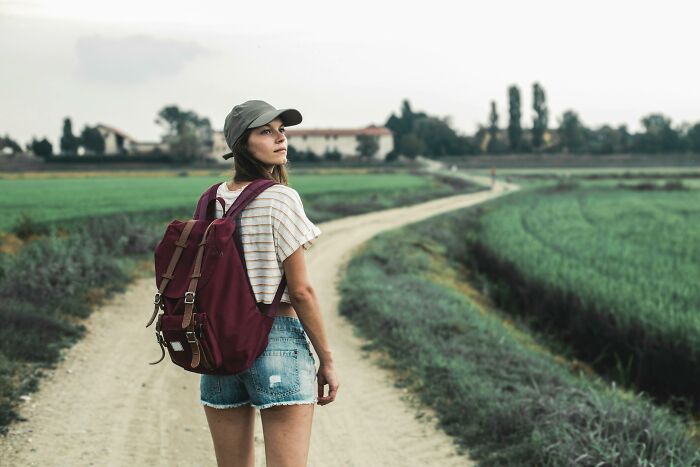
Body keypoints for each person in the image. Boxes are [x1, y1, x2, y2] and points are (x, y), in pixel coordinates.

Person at [200, 100, 339, 467]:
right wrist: (326, 360)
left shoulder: (210, 198)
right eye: (266, 131)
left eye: (282, 130)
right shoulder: (280, 197)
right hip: (275, 339)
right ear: (242, 143)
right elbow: (301, 291)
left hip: (218, 349)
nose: (280, 138)